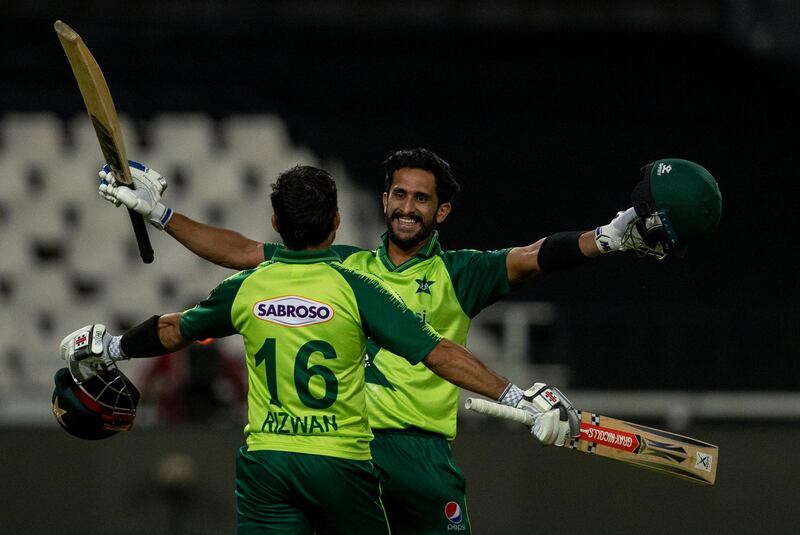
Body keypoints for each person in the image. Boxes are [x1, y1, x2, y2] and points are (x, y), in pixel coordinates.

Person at [97, 151, 720, 533]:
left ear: (441, 212)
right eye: (398, 193)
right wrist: (161, 216)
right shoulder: (341, 266)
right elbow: (241, 252)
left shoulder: (461, 272)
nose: (406, 206)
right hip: (354, 456)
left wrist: (606, 240)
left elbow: (535, 258)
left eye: (422, 198)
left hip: (423, 460)